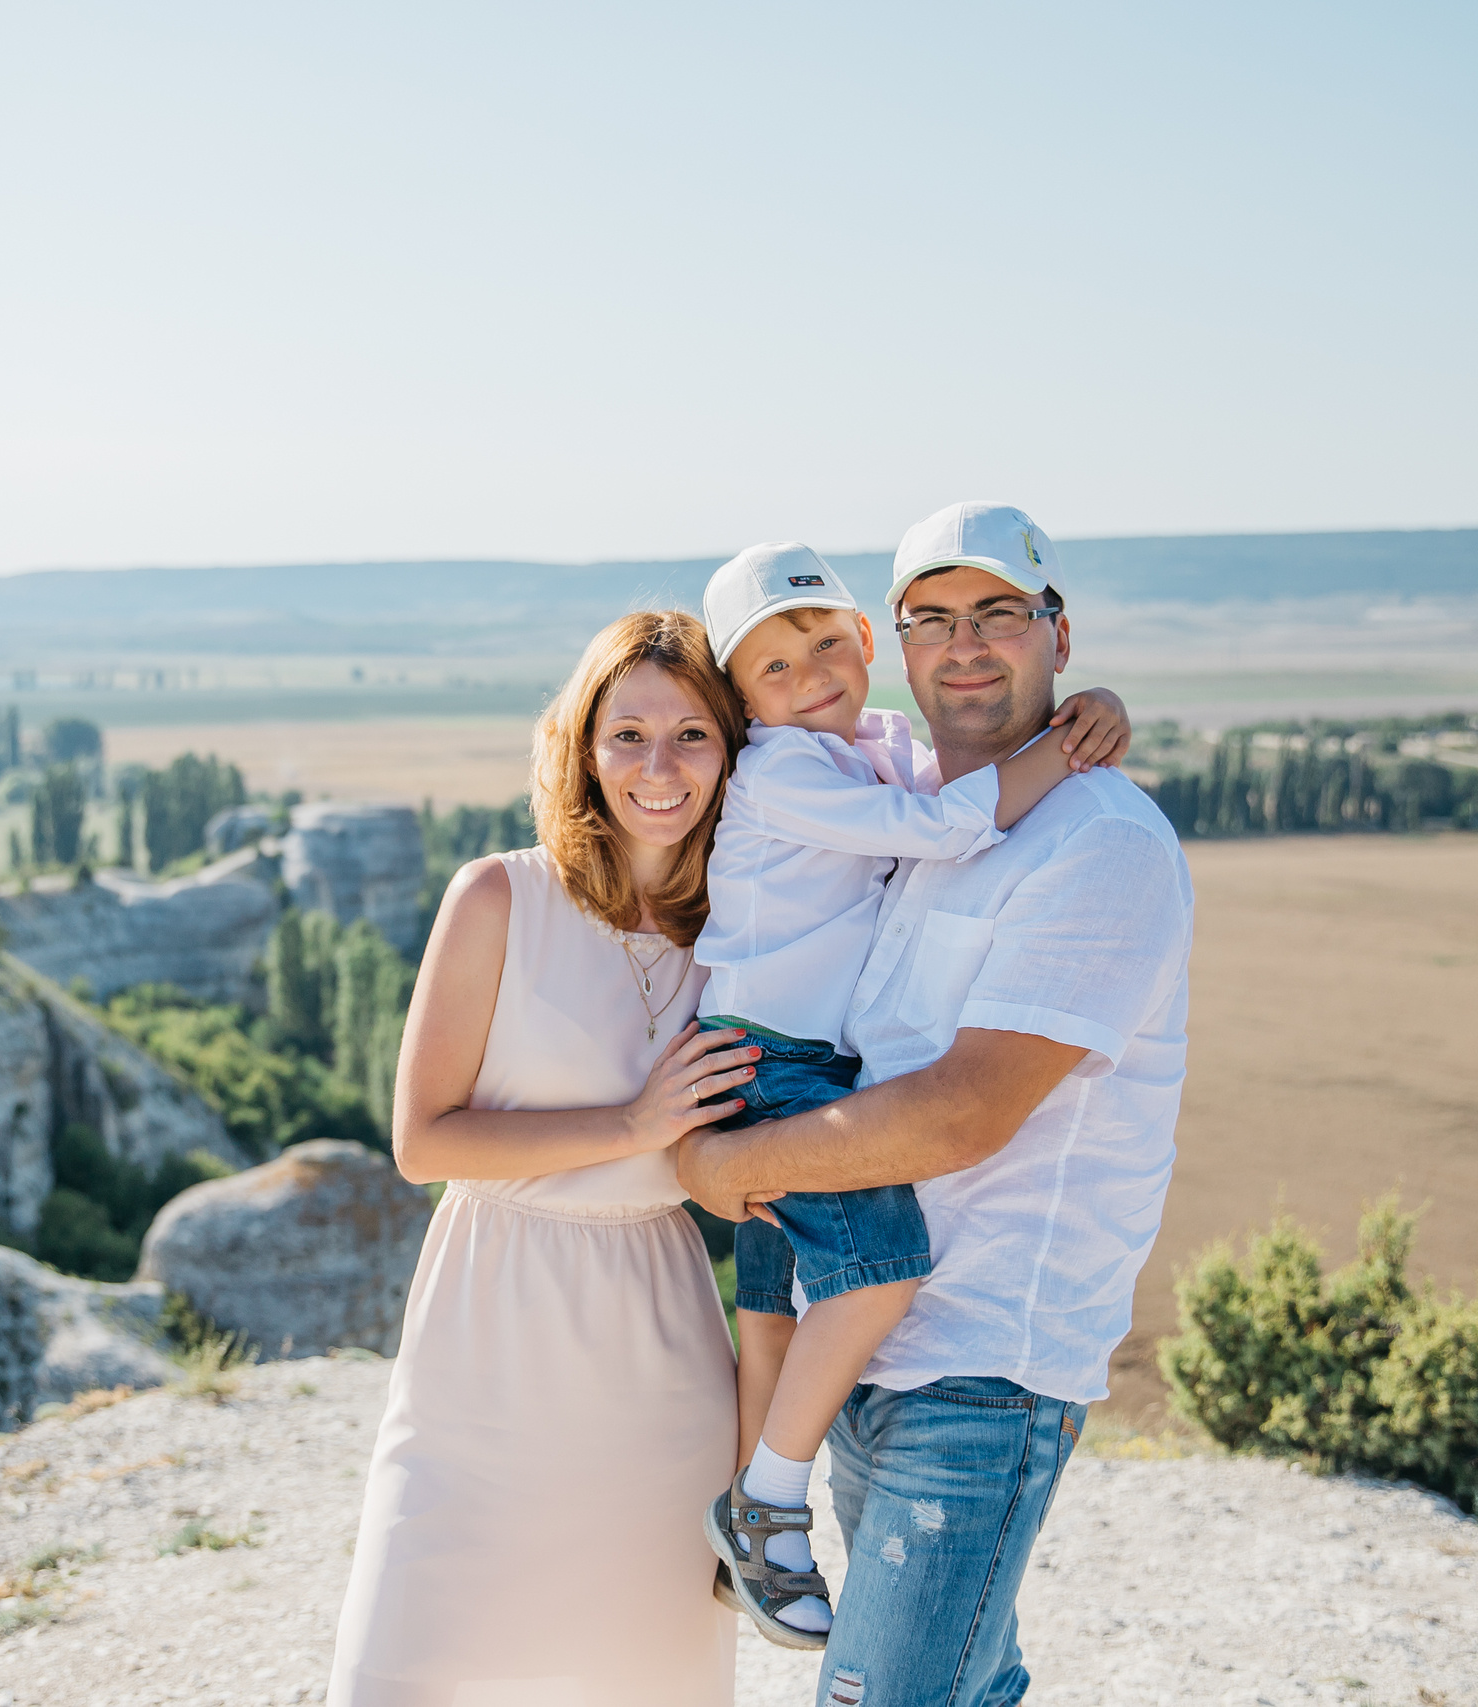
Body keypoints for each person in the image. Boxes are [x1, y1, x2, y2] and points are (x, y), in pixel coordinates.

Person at [677, 501, 1194, 1707]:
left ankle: (758, 1504)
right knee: (967, 1681)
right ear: (897, 649)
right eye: (935, 620)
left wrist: (719, 1169)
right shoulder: (894, 804)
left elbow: (964, 1115)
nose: (966, 645)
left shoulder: (1095, 838)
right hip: (869, 1353)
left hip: (980, 1371)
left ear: (1056, 633)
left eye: (1000, 614)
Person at [328, 610, 760, 1707]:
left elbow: (885, 763)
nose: (658, 767)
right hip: (489, 1324)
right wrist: (631, 1123)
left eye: (692, 735)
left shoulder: (752, 931)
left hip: (660, 1345)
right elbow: (423, 1141)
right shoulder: (499, 896)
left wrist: (1076, 723)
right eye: (627, 734)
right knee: (407, 1665)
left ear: (733, 750)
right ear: (581, 745)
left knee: (645, 1671)